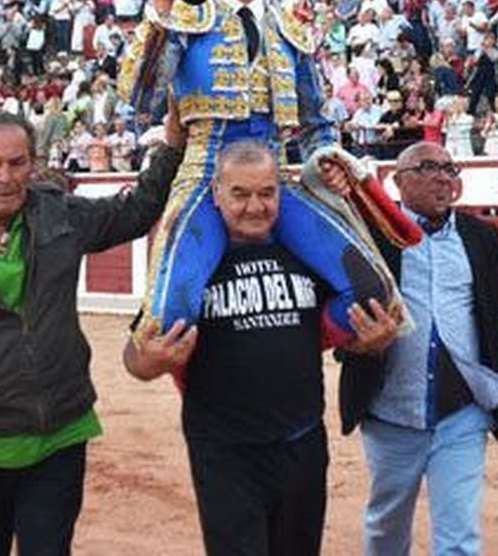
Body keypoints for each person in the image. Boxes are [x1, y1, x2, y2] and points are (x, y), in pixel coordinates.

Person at [0, 110, 185, 556]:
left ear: (33, 163)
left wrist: (172, 146)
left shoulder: (58, 214)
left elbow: (135, 213)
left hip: (58, 432)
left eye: (17, 163)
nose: (5, 177)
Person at [118, 0, 413, 338]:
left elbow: (317, 123)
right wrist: (159, 10)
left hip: (275, 181)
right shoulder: (184, 19)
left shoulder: (289, 29)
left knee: (375, 293)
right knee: (168, 318)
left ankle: (284, 350)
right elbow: (141, 99)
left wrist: (325, 159)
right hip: (204, 180)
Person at [123, 140, 400, 556]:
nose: (255, 207)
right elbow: (135, 356)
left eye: (267, 193)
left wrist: (374, 343)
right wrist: (149, 361)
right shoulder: (190, 264)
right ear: (216, 193)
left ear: (280, 193)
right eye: (239, 194)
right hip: (224, 451)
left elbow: (339, 338)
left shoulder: (308, 257)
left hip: (302, 442)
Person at [339, 141, 498, 556]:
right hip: (391, 411)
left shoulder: (481, 236)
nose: (442, 177)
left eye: (450, 169)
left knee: (459, 538)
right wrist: (362, 342)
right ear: (398, 182)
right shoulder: (373, 236)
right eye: (428, 168)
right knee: (387, 527)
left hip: (463, 413)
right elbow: (341, 313)